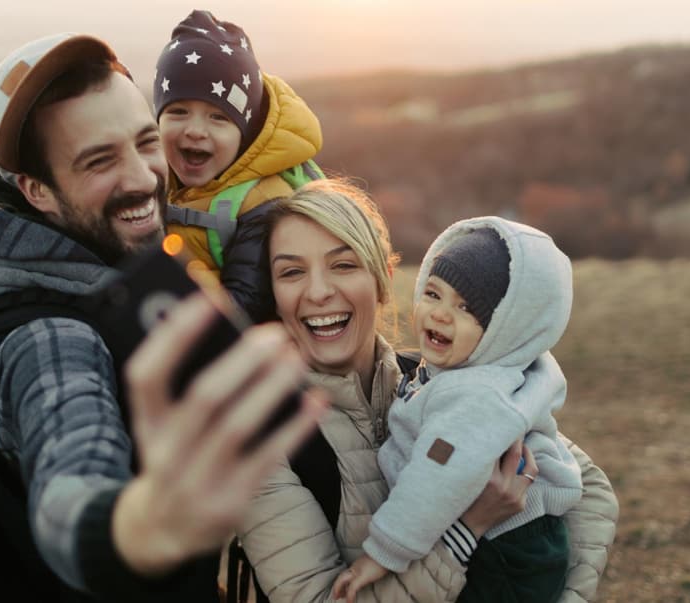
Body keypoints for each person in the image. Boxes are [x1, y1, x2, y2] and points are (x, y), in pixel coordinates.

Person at [0, 32, 323, 601]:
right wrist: (143, 526)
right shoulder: (49, 333)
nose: (142, 178)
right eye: (99, 161)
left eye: (146, 142)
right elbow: (69, 486)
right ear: (37, 190)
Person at [235, 179, 620, 602]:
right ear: (273, 296)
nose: (319, 292)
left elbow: (591, 491)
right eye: (292, 272)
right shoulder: (264, 439)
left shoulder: (437, 380)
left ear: (382, 279)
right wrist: (468, 530)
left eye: (343, 265)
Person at [332, 216, 583, 603]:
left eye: (466, 307)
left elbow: (435, 475)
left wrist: (381, 553)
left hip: (507, 549)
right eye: (433, 294)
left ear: (503, 330)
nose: (440, 314)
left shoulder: (474, 396)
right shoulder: (470, 372)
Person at [153, 9, 323, 322]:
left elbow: (246, 306)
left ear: (245, 135)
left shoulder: (263, 204)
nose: (195, 130)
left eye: (218, 117)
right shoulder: (156, 178)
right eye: (178, 111)